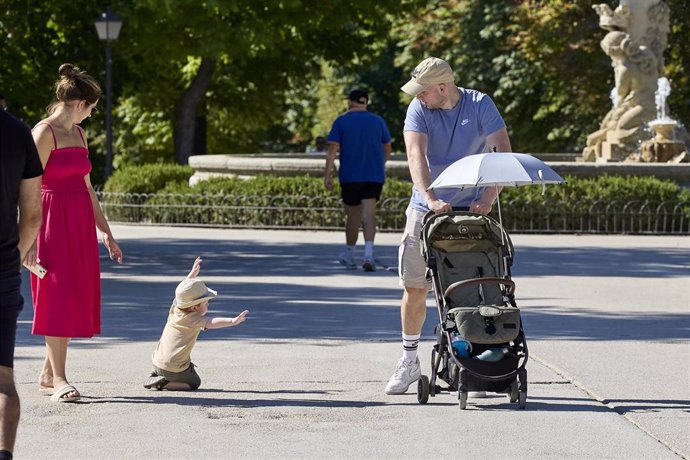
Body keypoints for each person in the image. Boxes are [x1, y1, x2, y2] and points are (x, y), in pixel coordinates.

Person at [384, 57, 512, 395]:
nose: (418, 97)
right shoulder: (419, 109)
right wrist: (429, 198)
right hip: (426, 206)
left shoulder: (480, 103)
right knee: (415, 286)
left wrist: (488, 196)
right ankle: (409, 360)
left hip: (472, 208)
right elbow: (416, 155)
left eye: (423, 91)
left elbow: (501, 149)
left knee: (473, 286)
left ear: (442, 87)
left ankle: (475, 361)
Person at [27, 63, 123, 403]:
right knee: (55, 297)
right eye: (93, 108)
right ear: (80, 103)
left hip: (78, 224)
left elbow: (88, 189)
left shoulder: (79, 135)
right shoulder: (43, 133)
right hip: (50, 223)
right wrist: (30, 241)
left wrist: (106, 233)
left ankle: (48, 373)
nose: (92, 115)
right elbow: (27, 189)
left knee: (68, 297)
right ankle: (60, 380)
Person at [0, 109, 42, 460]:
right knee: (3, 379)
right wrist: (14, 258)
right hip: (2, 268)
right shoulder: (18, 132)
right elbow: (31, 215)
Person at [144, 257, 249, 391]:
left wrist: (192, 275)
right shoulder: (193, 319)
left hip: (157, 362)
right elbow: (212, 322)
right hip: (173, 368)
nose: (208, 304)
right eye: (205, 302)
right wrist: (233, 321)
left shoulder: (175, 309)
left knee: (177, 367)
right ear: (194, 308)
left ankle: (158, 375)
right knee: (194, 383)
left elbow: (182, 293)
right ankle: (164, 383)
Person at [325, 89, 392, 272]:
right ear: (366, 102)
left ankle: (350, 254)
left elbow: (332, 152)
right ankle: (368, 255)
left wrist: (328, 175)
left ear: (350, 102)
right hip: (373, 176)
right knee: (369, 215)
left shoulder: (342, 121)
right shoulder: (378, 121)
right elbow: (387, 149)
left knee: (353, 216)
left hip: (350, 176)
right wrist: (379, 164)